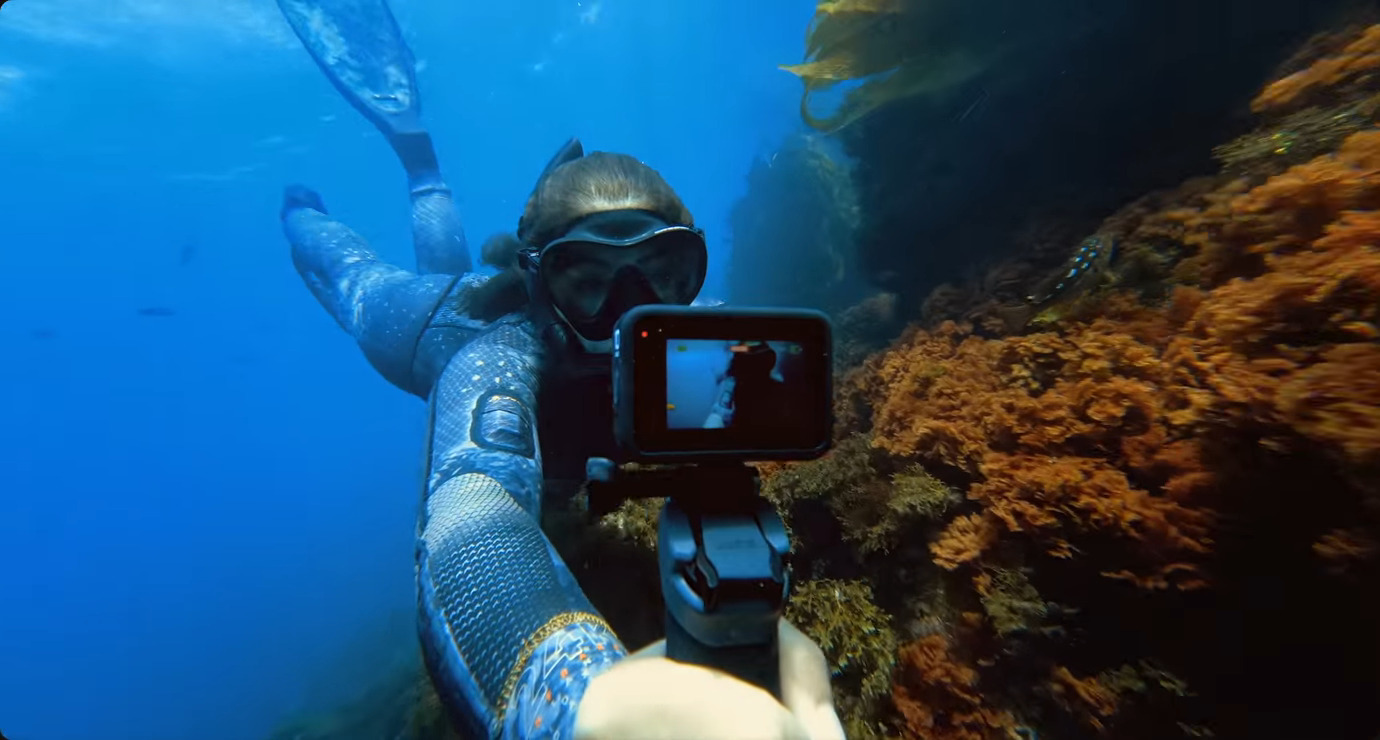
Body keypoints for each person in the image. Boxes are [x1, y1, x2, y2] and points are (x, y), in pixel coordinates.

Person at [273, 1, 846, 739]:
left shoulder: (702, 341)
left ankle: (428, 176)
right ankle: (380, 180)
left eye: (662, 273)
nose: (632, 311)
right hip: (433, 324)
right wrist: (582, 703)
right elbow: (470, 521)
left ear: (692, 269)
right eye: (589, 280)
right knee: (356, 284)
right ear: (540, 283)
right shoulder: (497, 355)